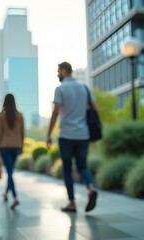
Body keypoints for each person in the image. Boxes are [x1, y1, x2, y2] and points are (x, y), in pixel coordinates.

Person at [46, 61, 98, 213]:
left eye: (58, 71)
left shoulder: (60, 89)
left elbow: (55, 113)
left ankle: (72, 203)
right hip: (83, 134)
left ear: (63, 71)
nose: (57, 74)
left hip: (66, 135)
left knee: (67, 169)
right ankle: (91, 188)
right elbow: (95, 108)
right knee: (82, 166)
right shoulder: (84, 88)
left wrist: (48, 134)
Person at [0, 93, 24, 210]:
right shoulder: (20, 116)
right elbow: (22, 133)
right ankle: (6, 193)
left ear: (4, 103)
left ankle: (15, 197)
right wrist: (22, 146)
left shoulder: (1, 116)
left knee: (9, 172)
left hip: (5, 146)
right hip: (16, 146)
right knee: (10, 171)